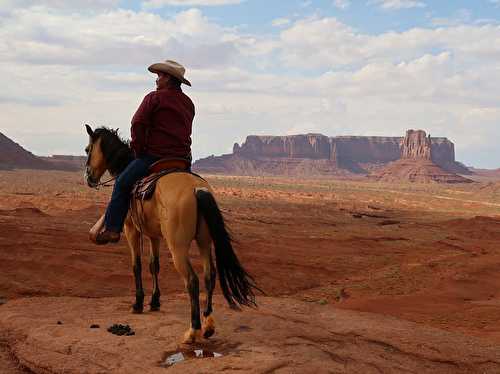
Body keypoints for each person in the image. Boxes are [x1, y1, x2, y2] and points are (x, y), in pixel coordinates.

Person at [94, 60, 195, 245]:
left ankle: (112, 229)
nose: (157, 80)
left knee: (122, 184)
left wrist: (138, 150)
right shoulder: (188, 103)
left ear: (170, 79)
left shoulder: (153, 98)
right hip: (182, 161)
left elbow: (137, 123)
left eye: (160, 76)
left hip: (154, 157)